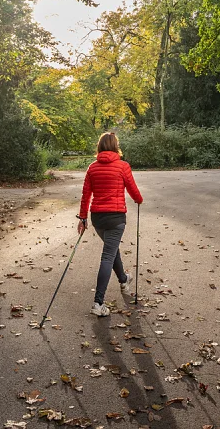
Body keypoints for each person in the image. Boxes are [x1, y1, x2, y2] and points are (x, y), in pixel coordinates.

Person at [77, 132, 143, 316]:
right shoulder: (123, 166)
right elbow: (133, 190)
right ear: (115, 146)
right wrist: (139, 199)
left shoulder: (92, 168)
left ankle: (124, 280)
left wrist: (82, 218)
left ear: (99, 146)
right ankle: (98, 303)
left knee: (111, 251)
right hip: (116, 219)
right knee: (108, 255)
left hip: (98, 218)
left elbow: (85, 195)